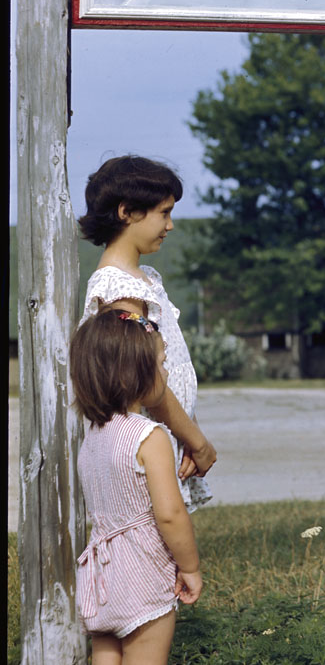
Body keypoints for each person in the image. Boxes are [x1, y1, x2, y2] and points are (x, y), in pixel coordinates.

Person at [71, 309, 203, 665]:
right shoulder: (150, 438)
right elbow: (169, 515)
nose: (165, 375)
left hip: (100, 572)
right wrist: (188, 567)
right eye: (161, 365)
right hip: (142, 573)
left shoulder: (93, 439)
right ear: (136, 374)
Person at [78, 156, 216, 509]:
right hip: (143, 440)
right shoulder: (118, 290)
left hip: (168, 431)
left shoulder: (145, 278)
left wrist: (186, 430)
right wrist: (196, 440)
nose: (170, 225)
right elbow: (146, 380)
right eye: (164, 213)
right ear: (127, 211)